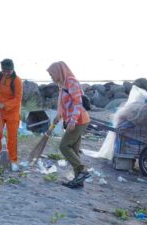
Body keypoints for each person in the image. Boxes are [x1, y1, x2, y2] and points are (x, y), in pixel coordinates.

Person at [47, 61, 91, 189]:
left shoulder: (71, 81)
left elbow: (77, 103)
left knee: (64, 146)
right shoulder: (62, 84)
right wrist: (58, 116)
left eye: (51, 74)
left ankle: (82, 170)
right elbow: (64, 104)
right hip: (75, 119)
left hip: (79, 120)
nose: (51, 77)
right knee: (74, 150)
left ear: (58, 72)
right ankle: (79, 181)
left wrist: (72, 121)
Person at [0, 58, 23, 172]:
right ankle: (3, 153)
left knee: (12, 137)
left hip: (12, 112)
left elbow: (18, 99)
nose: (6, 73)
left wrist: (5, 105)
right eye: (5, 71)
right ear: (2, 69)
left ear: (12, 69)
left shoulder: (17, 81)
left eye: (9, 71)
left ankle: (13, 160)